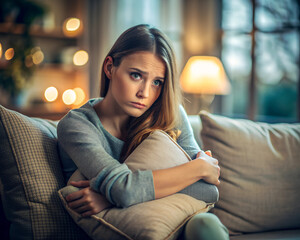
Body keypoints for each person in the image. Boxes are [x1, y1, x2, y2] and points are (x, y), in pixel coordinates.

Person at [57, 24, 229, 240]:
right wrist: (199, 167)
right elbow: (123, 189)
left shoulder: (171, 114)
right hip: (118, 230)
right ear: (110, 67)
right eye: (136, 75)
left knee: (205, 225)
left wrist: (110, 196)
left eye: (157, 82)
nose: (145, 93)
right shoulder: (77, 125)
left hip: (177, 221)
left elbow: (208, 191)